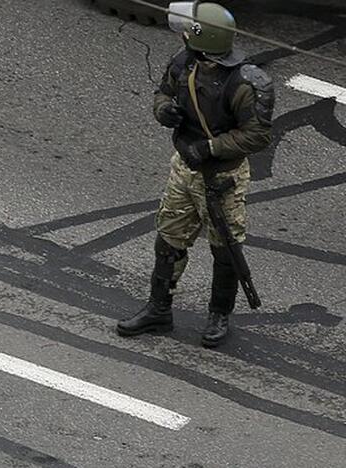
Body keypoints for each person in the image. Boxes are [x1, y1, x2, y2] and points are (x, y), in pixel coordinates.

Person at [116, 2, 274, 347]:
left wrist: (211, 148)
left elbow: (258, 135)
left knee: (225, 249)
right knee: (169, 238)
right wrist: (164, 111)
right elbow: (163, 93)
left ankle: (219, 315)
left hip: (222, 178)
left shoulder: (247, 83)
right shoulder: (184, 62)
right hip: (184, 168)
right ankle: (159, 309)